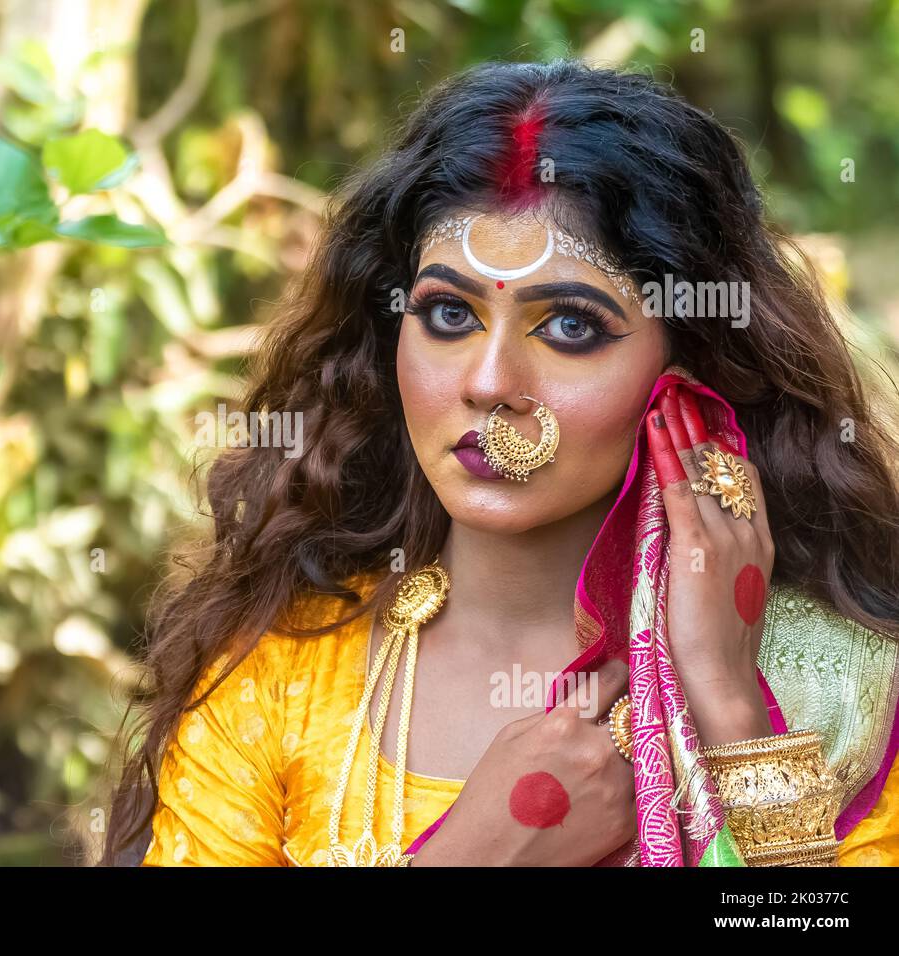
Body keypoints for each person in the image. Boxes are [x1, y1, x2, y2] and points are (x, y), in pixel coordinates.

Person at [99, 60, 899, 867]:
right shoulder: (280, 676)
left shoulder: (834, 688)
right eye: (449, 313)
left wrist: (729, 706)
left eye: (571, 328)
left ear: (688, 371)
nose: (489, 384)